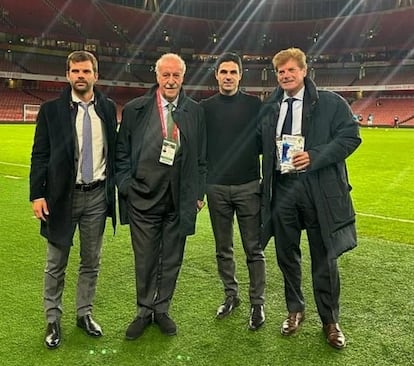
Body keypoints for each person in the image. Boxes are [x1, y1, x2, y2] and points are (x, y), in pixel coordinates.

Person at [258, 47, 361, 349]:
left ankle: (330, 320)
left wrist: (315, 156)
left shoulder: (330, 103)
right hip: (283, 190)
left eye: (291, 70)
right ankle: (295, 310)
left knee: (324, 258)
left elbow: (350, 136)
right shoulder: (270, 107)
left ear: (304, 71)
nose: (286, 75)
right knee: (286, 255)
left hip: (318, 191)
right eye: (280, 72)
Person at [30, 50, 118, 349]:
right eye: (75, 71)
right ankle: (52, 319)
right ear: (68, 75)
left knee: (91, 261)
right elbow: (40, 155)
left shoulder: (107, 108)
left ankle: (84, 313)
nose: (81, 76)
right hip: (62, 198)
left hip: (97, 195)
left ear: (96, 74)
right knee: (56, 263)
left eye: (86, 71)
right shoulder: (51, 111)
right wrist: (37, 194)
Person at [116, 53, 206, 340]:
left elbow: (202, 157)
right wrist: (126, 185)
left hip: (179, 199)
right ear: (157, 77)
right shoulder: (135, 109)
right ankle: (144, 311)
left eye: (176, 75)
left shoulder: (195, 111)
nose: (170, 80)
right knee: (145, 259)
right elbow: (121, 153)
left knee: (171, 258)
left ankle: (162, 309)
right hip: (142, 197)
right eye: (165, 75)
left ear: (183, 77)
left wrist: (198, 193)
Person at [200, 52, 265, 330]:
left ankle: (257, 303)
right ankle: (231, 296)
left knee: (254, 248)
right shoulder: (205, 107)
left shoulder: (254, 105)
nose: (228, 77)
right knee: (223, 248)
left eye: (233, 72)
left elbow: (266, 142)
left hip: (249, 185)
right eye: (223, 72)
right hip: (216, 188)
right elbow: (200, 149)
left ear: (240, 75)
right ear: (216, 75)